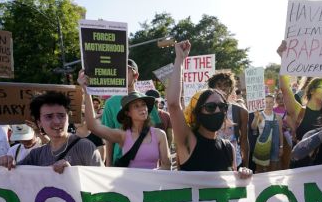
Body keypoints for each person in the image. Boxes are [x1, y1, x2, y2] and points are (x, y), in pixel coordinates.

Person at [166, 40, 252, 178]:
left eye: (222, 107)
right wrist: (180, 60)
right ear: (198, 112)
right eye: (211, 107)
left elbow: (232, 185)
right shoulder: (188, 140)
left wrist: (242, 174)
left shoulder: (229, 148)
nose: (218, 111)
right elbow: (173, 104)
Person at [79, 72, 170, 170]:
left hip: (153, 184)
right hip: (127, 184)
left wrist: (147, 177)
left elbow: (167, 166)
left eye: (143, 104)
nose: (142, 108)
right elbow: (93, 126)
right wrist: (87, 91)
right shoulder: (123, 136)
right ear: (128, 113)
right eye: (136, 106)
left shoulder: (160, 135)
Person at [0, 91, 102, 173]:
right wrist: (7, 162)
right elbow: (15, 175)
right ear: (39, 123)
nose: (57, 121)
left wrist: (73, 174)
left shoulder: (86, 147)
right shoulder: (36, 155)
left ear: (68, 117)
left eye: (61, 116)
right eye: (49, 117)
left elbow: (103, 182)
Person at [100, 59, 162, 166]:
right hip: (121, 163)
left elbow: (157, 136)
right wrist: (109, 165)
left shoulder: (148, 101)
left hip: (147, 165)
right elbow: (108, 139)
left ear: (136, 76)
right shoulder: (110, 103)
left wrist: (159, 166)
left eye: (126, 71)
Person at [251, 94, 283, 172]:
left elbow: (280, 133)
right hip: (262, 146)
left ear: (274, 103)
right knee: (259, 170)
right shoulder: (259, 115)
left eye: (271, 102)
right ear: (263, 103)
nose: (268, 104)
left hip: (274, 147)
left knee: (273, 170)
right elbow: (253, 127)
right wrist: (255, 117)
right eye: (266, 102)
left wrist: (281, 147)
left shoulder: (278, 117)